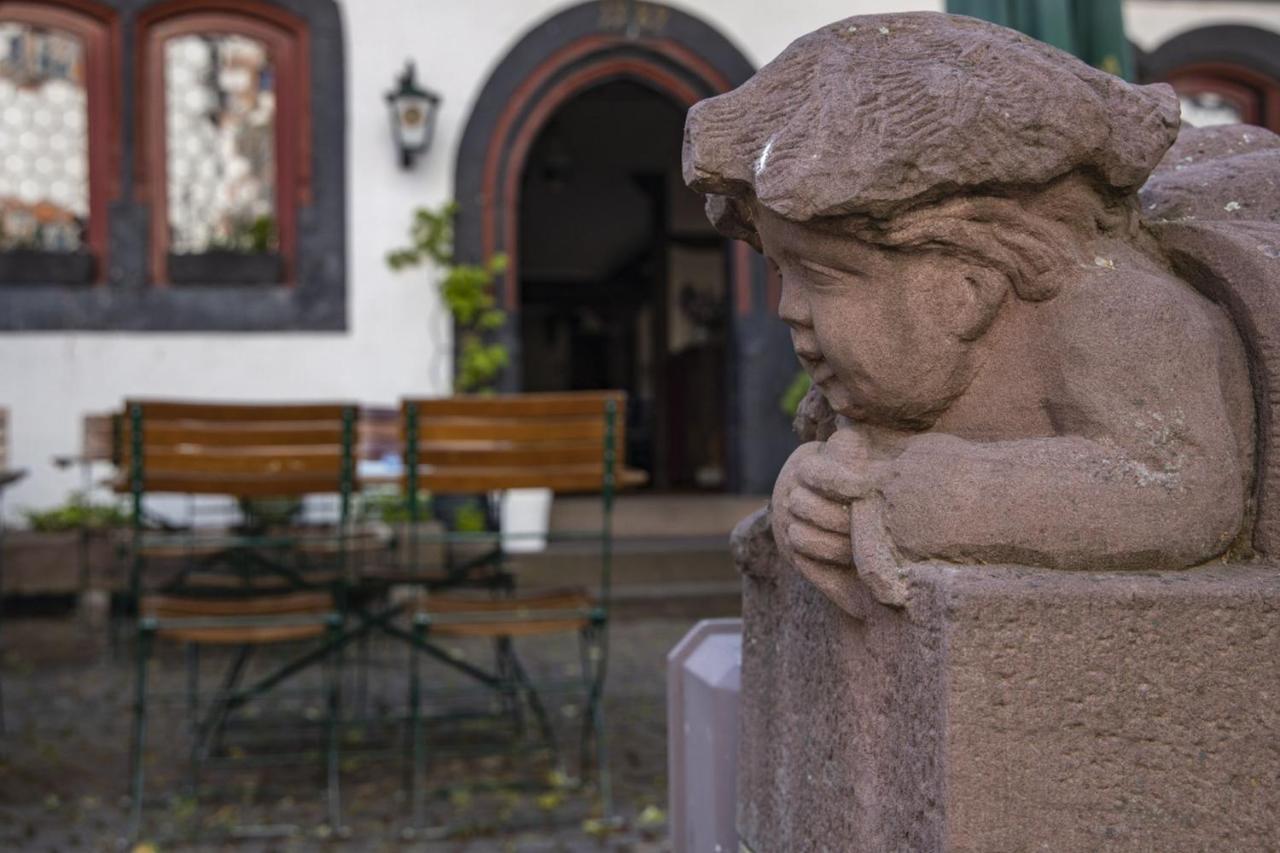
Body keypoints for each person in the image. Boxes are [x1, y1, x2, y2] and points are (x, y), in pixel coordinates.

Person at [683, 12, 1255, 607]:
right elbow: (845, 451)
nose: (788, 310)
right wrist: (808, 494)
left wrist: (903, 493)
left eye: (822, 277)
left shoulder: (1119, 315)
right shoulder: (897, 365)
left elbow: (1182, 493)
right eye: (782, 272)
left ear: (966, 285)